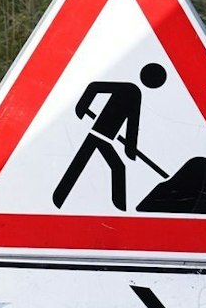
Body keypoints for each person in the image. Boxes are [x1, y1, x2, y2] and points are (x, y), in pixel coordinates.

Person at [52, 62, 167, 211]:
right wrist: (82, 107)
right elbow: (95, 88)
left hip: (103, 137)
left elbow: (132, 124)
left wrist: (129, 149)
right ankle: (119, 209)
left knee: (86, 163)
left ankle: (59, 198)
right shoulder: (132, 91)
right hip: (99, 135)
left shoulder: (133, 91)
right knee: (111, 166)